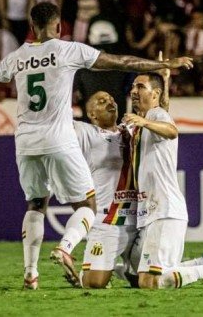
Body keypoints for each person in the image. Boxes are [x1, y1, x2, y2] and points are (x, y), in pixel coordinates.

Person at [0, 2, 193, 290]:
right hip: (57, 137)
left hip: (24, 141)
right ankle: (65, 247)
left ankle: (31, 273)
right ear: (59, 26)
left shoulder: (19, 56)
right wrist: (161, 65)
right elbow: (121, 62)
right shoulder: (68, 50)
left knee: (36, 205)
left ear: (32, 28)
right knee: (88, 205)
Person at [123, 73, 203, 289]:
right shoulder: (146, 119)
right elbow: (161, 108)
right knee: (134, 276)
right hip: (148, 212)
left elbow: (172, 131)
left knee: (151, 283)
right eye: (133, 86)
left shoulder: (156, 116)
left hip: (165, 211)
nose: (133, 91)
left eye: (140, 87)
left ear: (155, 93)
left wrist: (145, 120)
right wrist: (165, 80)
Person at [74, 91, 139, 289]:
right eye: (102, 102)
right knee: (93, 284)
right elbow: (56, 122)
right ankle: (97, 270)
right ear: (91, 114)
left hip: (139, 220)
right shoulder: (86, 132)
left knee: (148, 281)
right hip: (108, 221)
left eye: (111, 99)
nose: (110, 102)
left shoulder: (131, 130)